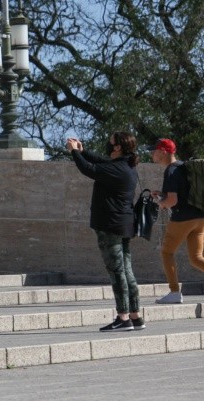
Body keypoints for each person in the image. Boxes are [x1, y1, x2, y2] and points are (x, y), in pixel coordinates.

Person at [66, 132, 144, 331]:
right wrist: (83, 151)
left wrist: (75, 153)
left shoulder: (117, 169)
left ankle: (123, 317)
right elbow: (99, 161)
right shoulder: (127, 166)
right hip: (124, 224)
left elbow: (89, 169)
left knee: (116, 271)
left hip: (110, 225)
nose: (108, 146)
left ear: (118, 147)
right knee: (126, 270)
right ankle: (135, 316)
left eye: (110, 143)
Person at [151, 138, 204, 304]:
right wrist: (163, 195)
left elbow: (172, 201)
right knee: (196, 258)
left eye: (154, 150)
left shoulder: (171, 171)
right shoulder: (184, 167)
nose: (151, 154)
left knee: (167, 252)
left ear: (163, 151)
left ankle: (174, 292)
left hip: (182, 218)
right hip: (200, 218)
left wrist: (160, 202)